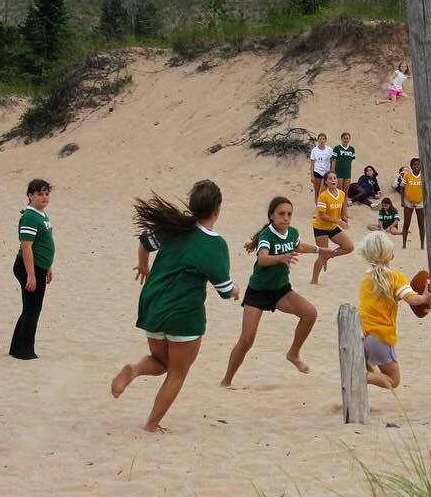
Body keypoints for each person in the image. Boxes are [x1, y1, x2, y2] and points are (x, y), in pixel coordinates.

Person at [110, 180, 237, 433]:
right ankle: (151, 425)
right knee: (177, 373)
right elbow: (224, 290)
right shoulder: (215, 243)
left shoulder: (174, 228)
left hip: (152, 305)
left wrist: (144, 265)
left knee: (161, 361)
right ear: (217, 210)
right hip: (183, 314)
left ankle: (135, 369)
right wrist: (235, 291)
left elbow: (144, 242)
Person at [220, 196, 321, 386]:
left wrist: (320, 250)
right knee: (246, 340)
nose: (286, 218)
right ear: (272, 215)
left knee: (310, 313)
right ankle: (226, 381)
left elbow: (299, 246)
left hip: (281, 291)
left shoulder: (292, 232)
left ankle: (293, 354)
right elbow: (263, 259)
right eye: (281, 214)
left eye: (289, 214)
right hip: (258, 292)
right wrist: (281, 257)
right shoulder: (267, 234)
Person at [356, 231, 430, 390]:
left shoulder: (365, 277)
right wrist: (424, 298)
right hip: (380, 337)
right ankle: (358, 377)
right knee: (393, 380)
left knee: (371, 370)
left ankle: (359, 378)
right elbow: (411, 299)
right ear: (390, 253)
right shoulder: (395, 276)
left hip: (362, 335)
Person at [10, 179, 55, 360]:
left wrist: (48, 266)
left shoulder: (41, 214)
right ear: (30, 196)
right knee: (32, 308)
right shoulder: (29, 217)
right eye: (39, 193)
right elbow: (26, 246)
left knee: (31, 308)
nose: (44, 197)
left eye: (46, 193)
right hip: (28, 267)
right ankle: (24, 351)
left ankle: (18, 348)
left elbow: (43, 243)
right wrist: (31, 275)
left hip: (39, 268)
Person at [311, 171, 355, 284]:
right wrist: (339, 221)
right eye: (330, 179)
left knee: (349, 247)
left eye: (335, 178)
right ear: (325, 182)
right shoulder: (323, 196)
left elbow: (342, 207)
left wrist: (344, 217)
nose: (333, 180)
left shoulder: (341, 194)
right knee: (322, 254)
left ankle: (329, 256)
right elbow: (322, 215)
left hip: (333, 226)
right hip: (320, 227)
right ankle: (314, 281)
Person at [401, 157, 426, 250]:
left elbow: (427, 189)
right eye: (415, 164)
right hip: (408, 202)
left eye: (418, 164)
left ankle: (422, 245)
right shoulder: (407, 175)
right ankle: (404, 244)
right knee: (406, 223)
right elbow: (402, 188)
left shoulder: (423, 176)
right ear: (411, 166)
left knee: (421, 224)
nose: (417, 166)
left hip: (420, 202)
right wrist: (402, 201)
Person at [309, 133, 334, 200]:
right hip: (317, 172)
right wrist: (312, 176)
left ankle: (324, 206)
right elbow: (312, 164)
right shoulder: (314, 150)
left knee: (324, 191)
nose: (321, 140)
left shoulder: (329, 149)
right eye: (320, 139)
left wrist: (332, 172)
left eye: (323, 139)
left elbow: (332, 161)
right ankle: (318, 208)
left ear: (325, 140)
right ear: (318, 140)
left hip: (326, 173)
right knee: (317, 191)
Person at [333, 132, 357, 197]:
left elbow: (351, 160)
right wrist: (332, 172)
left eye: (347, 138)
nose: (346, 140)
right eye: (344, 138)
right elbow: (334, 160)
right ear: (341, 139)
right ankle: (338, 206)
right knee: (339, 191)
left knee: (346, 192)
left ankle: (344, 206)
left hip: (347, 173)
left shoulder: (352, 149)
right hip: (339, 173)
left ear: (349, 139)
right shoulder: (337, 148)